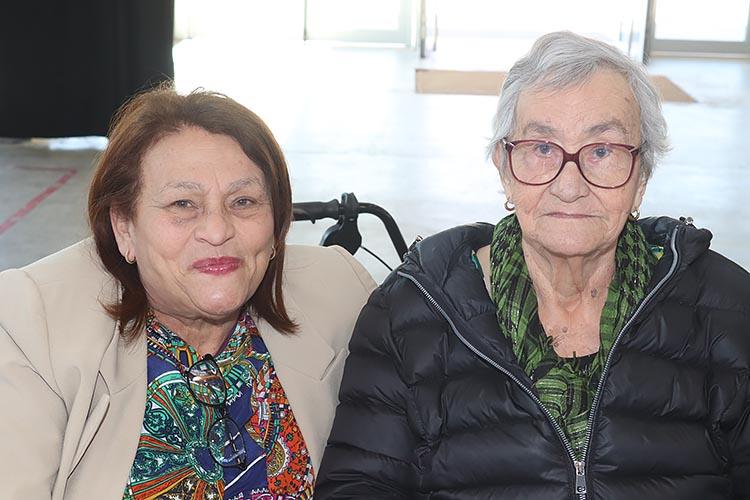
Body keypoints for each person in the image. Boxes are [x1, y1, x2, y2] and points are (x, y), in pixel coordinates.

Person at [316, 31, 750, 499]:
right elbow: (358, 484)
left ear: (641, 176)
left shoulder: (726, 309)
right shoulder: (410, 311)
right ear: (504, 167)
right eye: (542, 148)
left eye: (601, 151)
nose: (570, 185)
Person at [0, 87, 377, 499]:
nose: (217, 231)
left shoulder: (341, 293)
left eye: (243, 201)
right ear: (124, 226)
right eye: (183, 204)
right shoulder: (33, 324)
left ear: (277, 223)